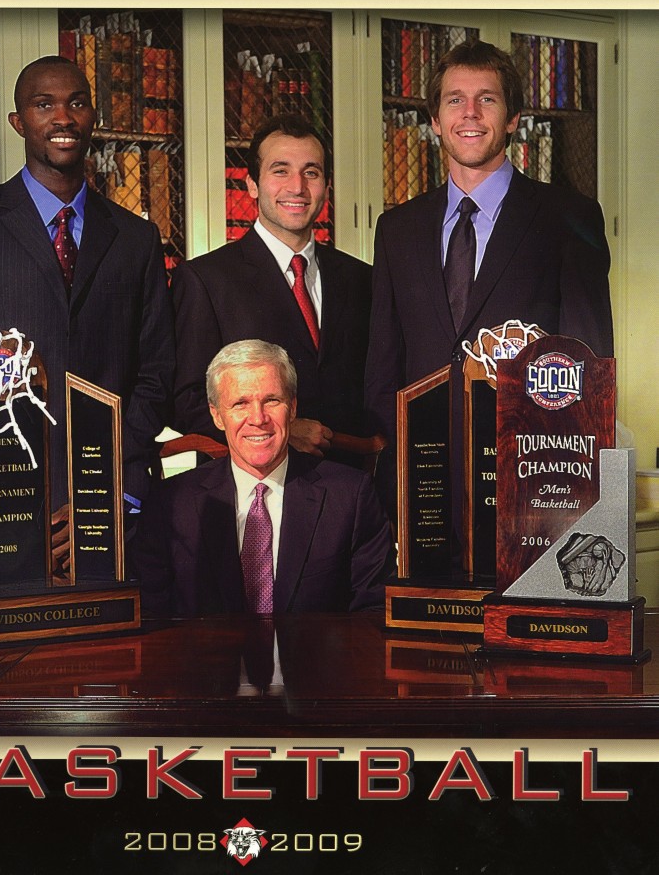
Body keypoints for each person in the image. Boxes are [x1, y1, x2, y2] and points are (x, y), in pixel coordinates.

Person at [0, 55, 175, 570]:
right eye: (44, 104)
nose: (63, 118)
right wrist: (4, 496)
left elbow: (155, 376)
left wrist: (103, 492)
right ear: (19, 123)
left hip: (114, 503)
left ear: (93, 117)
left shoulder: (136, 238)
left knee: (124, 650)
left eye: (76, 103)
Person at [365, 39, 614, 518]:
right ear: (435, 121)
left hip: (533, 491)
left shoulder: (569, 217)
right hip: (424, 491)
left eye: (488, 99)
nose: (471, 114)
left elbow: (591, 366)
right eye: (455, 100)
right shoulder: (396, 229)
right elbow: (384, 370)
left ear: (514, 118)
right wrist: (407, 466)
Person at [133, 339, 395, 617]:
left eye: (272, 400)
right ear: (217, 415)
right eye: (240, 403)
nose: (258, 418)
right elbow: (151, 616)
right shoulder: (172, 502)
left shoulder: (350, 495)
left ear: (293, 408)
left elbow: (375, 611)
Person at [171, 114, 373, 459]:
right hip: (251, 491)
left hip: (352, 488)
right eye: (280, 171)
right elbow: (185, 399)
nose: (297, 187)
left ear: (327, 186)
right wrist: (280, 429)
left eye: (311, 172)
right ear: (252, 184)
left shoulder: (362, 279)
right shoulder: (206, 279)